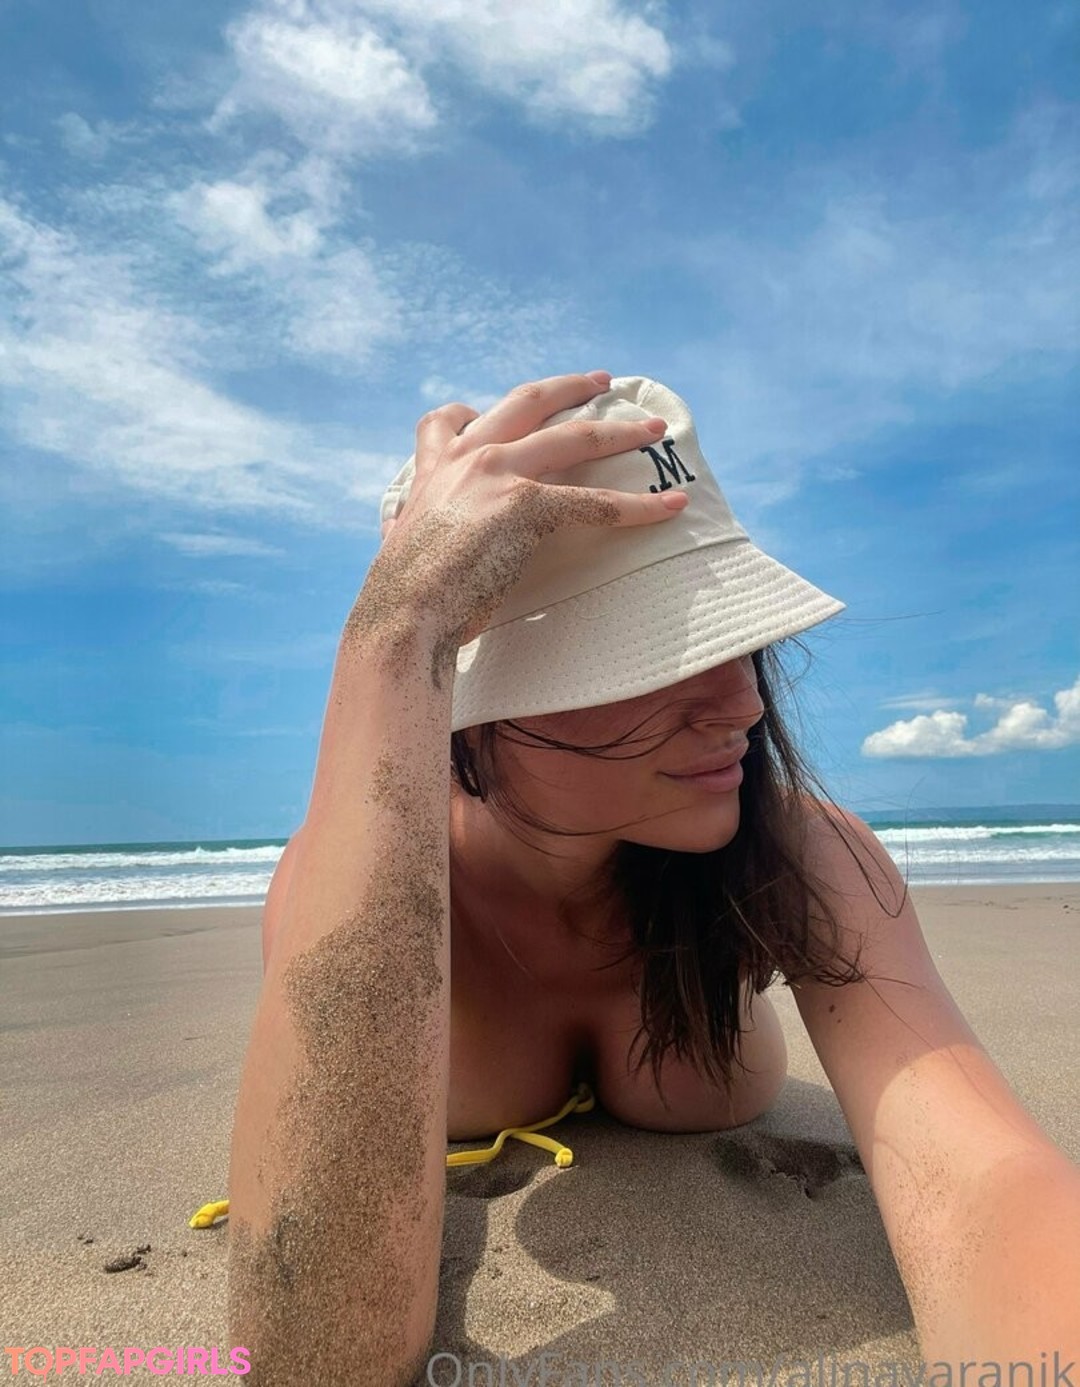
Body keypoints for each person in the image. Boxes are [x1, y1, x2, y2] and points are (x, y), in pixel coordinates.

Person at [228, 373, 1080, 1385]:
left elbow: (984, 1177)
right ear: (474, 698)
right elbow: (313, 1357)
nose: (744, 704)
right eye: (651, 653)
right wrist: (396, 630)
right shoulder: (365, 892)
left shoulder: (799, 852)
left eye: (727, 634)